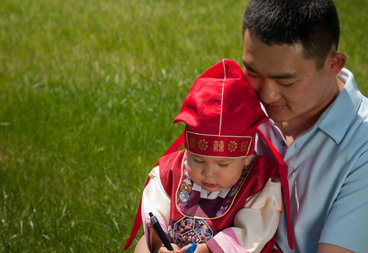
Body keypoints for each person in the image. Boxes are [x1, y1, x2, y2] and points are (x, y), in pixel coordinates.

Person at [241, 0, 368, 252]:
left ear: (334, 64)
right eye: (253, 72)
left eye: (287, 82)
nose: (267, 95)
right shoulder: (238, 107)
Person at [124, 59, 293, 252]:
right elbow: (156, 212)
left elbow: (253, 233)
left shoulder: (258, 182)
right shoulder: (171, 172)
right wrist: (161, 245)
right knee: (143, 247)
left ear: (247, 157)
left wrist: (208, 249)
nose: (209, 172)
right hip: (173, 247)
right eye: (198, 160)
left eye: (223, 164)